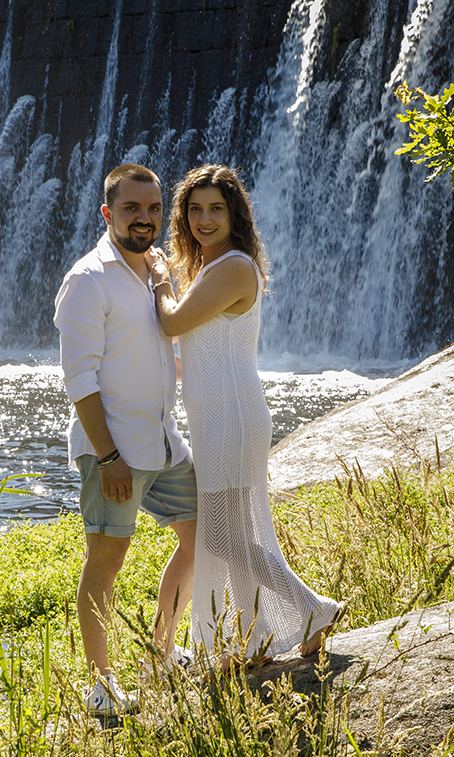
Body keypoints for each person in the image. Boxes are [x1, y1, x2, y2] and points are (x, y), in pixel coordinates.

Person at [148, 164, 344, 664]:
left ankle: (311, 607)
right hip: (220, 415)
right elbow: (194, 347)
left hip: (231, 417)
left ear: (235, 215)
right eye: (195, 209)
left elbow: (170, 319)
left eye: (216, 208)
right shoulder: (212, 270)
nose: (204, 219)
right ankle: (252, 638)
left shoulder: (233, 267)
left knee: (223, 535)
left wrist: (158, 280)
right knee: (232, 534)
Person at [53, 163, 198, 716]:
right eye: (133, 209)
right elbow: (79, 382)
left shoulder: (153, 271)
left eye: (155, 208)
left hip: (162, 442)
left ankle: (160, 656)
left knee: (200, 537)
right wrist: (109, 456)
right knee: (106, 560)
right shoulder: (88, 280)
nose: (146, 218)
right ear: (108, 213)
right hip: (113, 450)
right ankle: (101, 684)